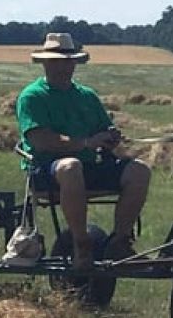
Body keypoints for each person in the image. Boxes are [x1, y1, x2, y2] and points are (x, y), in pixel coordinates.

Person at [16, 32, 151, 271]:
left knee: (139, 170)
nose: (64, 67)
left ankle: (120, 242)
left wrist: (110, 137)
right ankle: (82, 244)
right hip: (46, 170)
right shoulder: (32, 97)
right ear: (45, 63)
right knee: (71, 166)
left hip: (87, 167)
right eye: (57, 61)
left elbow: (103, 131)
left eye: (69, 61)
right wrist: (86, 143)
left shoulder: (87, 96)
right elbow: (41, 141)